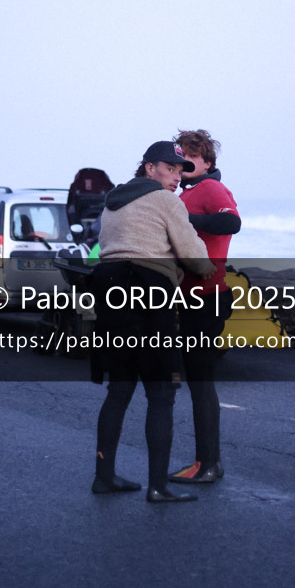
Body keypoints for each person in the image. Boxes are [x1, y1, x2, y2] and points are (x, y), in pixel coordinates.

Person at [91, 140, 216, 504]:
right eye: (170, 169)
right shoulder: (165, 200)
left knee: (119, 390)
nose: (177, 177)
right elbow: (192, 253)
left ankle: (104, 477)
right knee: (161, 394)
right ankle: (158, 487)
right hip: (148, 295)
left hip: (111, 293)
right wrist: (206, 267)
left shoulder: (112, 201)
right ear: (149, 168)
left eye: (180, 171)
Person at [168, 129, 241, 484]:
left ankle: (208, 464)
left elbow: (231, 222)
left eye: (192, 156)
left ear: (208, 162)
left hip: (208, 297)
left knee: (200, 381)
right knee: (196, 379)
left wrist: (184, 220)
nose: (184, 162)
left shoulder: (211, 188)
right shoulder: (187, 192)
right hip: (192, 297)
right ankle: (206, 461)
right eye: (180, 155)